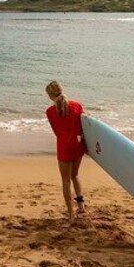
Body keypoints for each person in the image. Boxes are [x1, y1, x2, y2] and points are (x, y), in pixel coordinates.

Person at [45, 81, 87, 225]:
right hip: (77, 146)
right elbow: (84, 128)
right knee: (75, 175)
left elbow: (56, 132)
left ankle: (70, 216)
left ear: (50, 96)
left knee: (65, 181)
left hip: (64, 147)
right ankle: (81, 206)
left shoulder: (50, 112)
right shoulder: (77, 106)